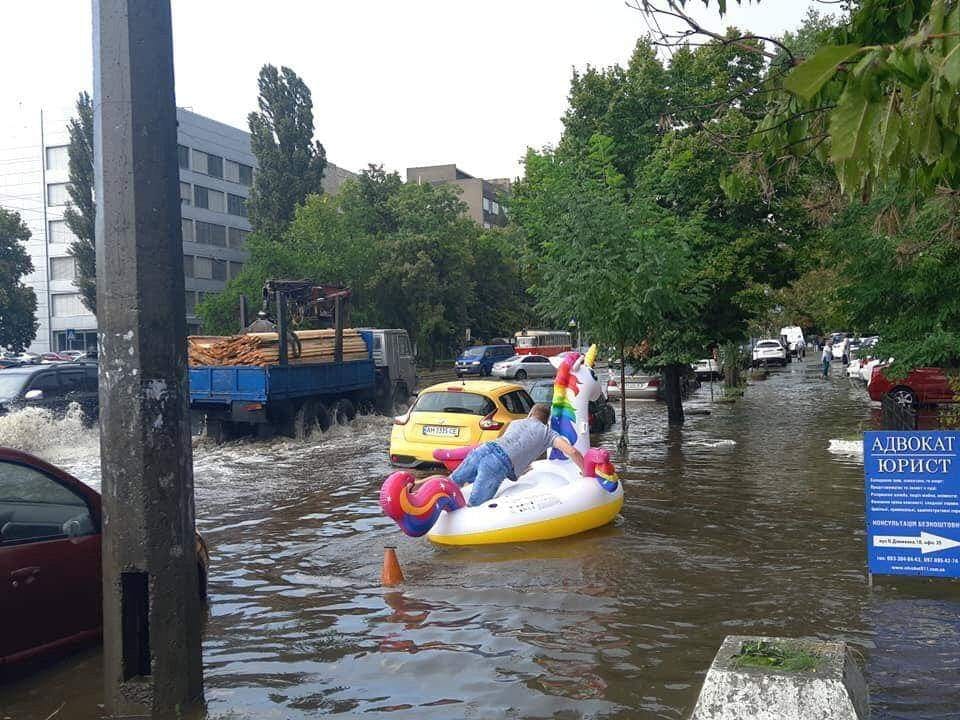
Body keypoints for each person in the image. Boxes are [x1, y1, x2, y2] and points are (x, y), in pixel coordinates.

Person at [450, 404, 584, 506]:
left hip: (484, 448)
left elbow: (509, 446)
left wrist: (519, 468)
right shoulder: (548, 434)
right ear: (546, 420)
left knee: (451, 483)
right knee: (475, 506)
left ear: (531, 413)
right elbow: (572, 451)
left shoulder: (515, 423)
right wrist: (585, 471)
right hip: (497, 464)